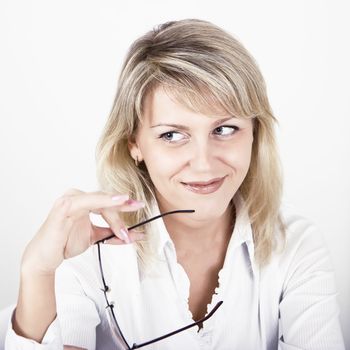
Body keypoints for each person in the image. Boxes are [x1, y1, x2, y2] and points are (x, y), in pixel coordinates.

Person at [4, 18, 345, 350]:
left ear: (255, 133)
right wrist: (37, 272)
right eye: (172, 135)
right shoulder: (83, 250)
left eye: (224, 129)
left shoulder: (297, 246)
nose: (204, 162)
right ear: (133, 143)